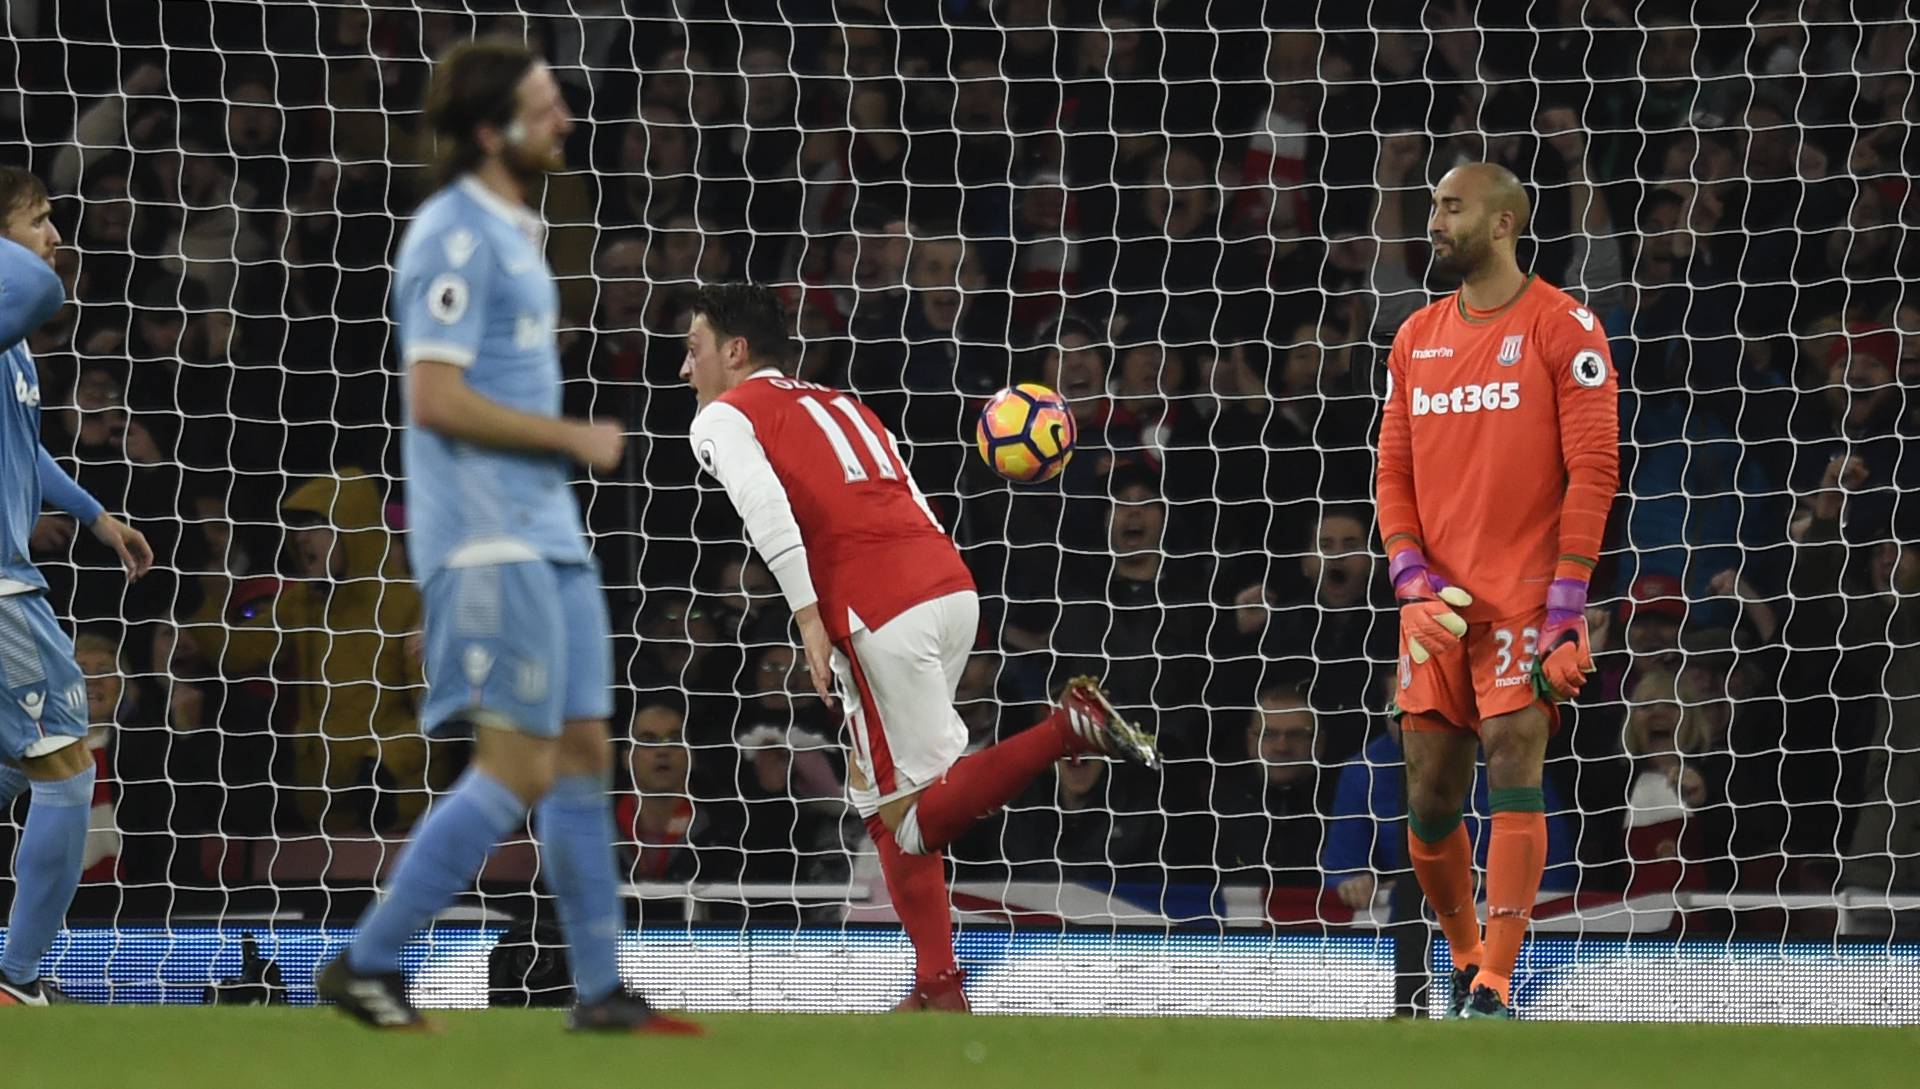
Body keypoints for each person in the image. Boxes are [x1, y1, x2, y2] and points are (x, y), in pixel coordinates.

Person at [314, 39, 696, 1035]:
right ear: (491, 130)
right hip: (488, 540)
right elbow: (434, 397)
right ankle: (368, 960)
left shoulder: (518, 230)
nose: (565, 117)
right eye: (543, 104)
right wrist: (572, 434)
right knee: (519, 765)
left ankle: (602, 991)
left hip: (549, 535)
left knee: (581, 751)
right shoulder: (453, 233)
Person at [681, 281, 1157, 1012]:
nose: (687, 368)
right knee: (879, 802)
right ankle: (939, 984)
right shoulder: (843, 403)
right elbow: (907, 489)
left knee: (912, 814)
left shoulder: (724, 415)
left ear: (735, 352)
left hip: (876, 607)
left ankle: (1066, 729)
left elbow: (763, 502)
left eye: (695, 349)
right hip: (946, 584)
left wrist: (810, 618)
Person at [1374, 162, 1619, 1019]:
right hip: (1435, 604)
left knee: (1515, 752)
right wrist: (1408, 576)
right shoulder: (1416, 337)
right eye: (1434, 207)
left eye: (1452, 207)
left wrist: (1565, 606)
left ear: (1505, 221)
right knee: (1430, 794)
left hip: (1524, 594)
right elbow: (1392, 470)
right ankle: (1467, 951)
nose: (1435, 222)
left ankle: (1495, 978)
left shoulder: (1565, 327)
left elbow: (1593, 470)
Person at [0, 165, 154, 1005]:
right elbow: (37, 286)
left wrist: (95, 513)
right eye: (42, 219)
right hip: (3, 593)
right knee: (69, 766)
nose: (56, 238)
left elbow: (28, 447)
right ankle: (17, 977)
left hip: (12, 585)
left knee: (23, 773)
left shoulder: (11, 343)